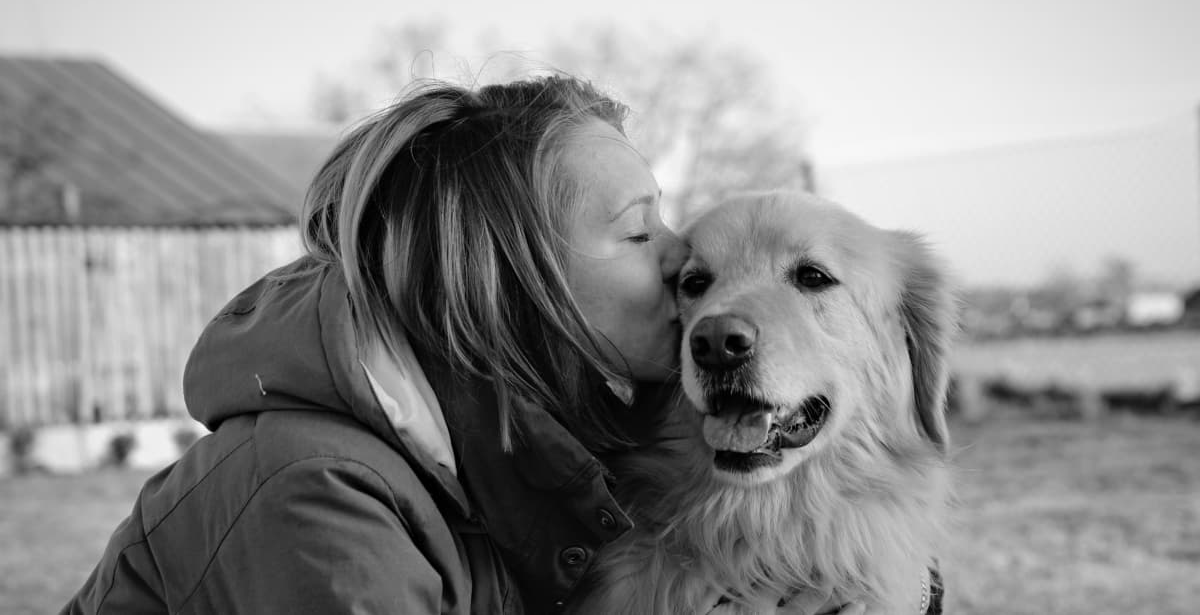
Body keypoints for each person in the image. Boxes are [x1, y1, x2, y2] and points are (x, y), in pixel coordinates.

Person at [61, 75, 912, 614]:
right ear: (513, 278)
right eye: (637, 232)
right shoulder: (317, 497)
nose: (681, 259)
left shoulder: (548, 437)